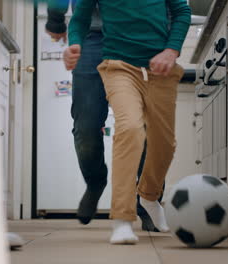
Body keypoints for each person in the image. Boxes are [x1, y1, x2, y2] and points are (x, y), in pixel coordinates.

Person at [66, 0, 191, 244]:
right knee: (117, 127)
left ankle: (148, 197)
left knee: (162, 141)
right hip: (105, 46)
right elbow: (79, 17)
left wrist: (171, 48)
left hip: (155, 50)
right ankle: (106, 194)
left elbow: (180, 11)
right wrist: (70, 37)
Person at [46, 0, 162, 231]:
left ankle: (147, 199)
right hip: (91, 37)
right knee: (86, 126)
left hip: (140, 36)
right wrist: (56, 19)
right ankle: (95, 181)